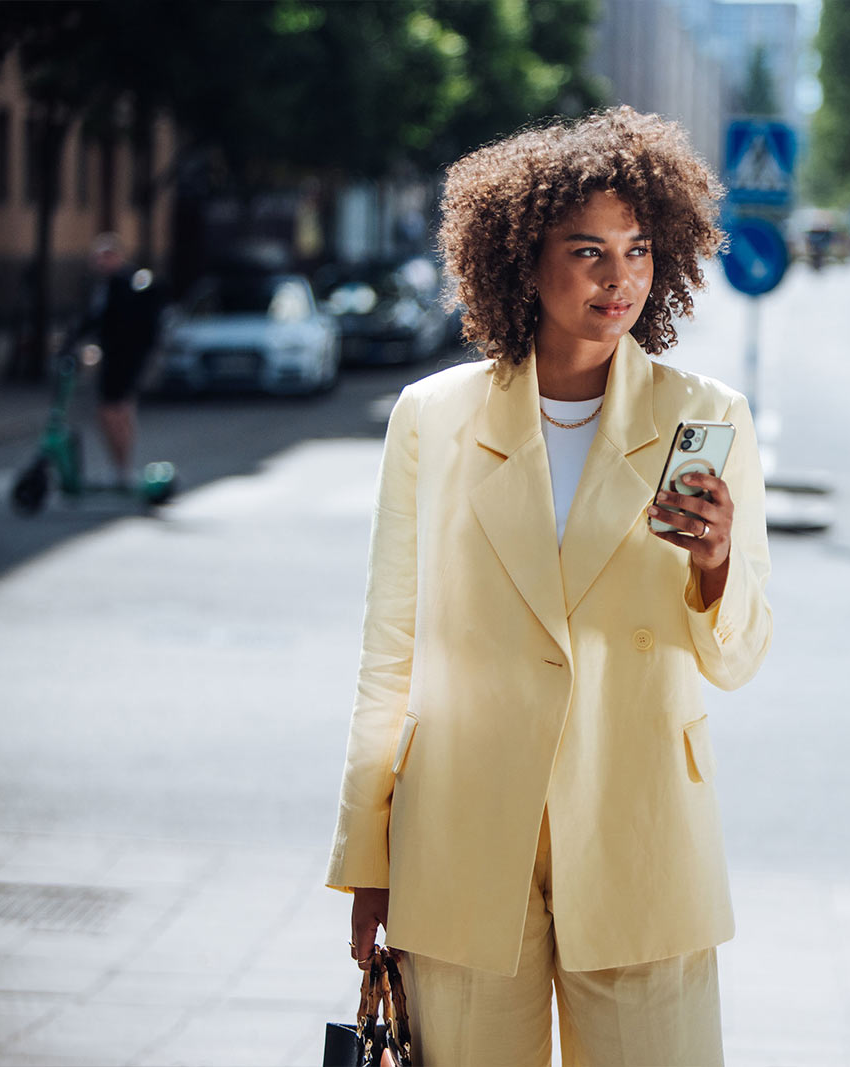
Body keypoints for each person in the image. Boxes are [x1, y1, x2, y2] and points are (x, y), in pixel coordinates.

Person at [326, 108, 773, 1066]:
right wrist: (369, 860)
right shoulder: (433, 418)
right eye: (588, 252)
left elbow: (739, 653)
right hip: (461, 832)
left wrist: (716, 563)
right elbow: (389, 651)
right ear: (523, 260)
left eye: (639, 249)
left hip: (641, 827)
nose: (621, 279)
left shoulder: (707, 415)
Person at [82, 233, 162, 487]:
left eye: (106, 256)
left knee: (115, 411)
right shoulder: (107, 285)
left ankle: (123, 469)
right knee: (112, 412)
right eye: (98, 258)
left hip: (124, 358)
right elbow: (93, 320)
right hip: (115, 357)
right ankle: (120, 468)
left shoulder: (127, 283)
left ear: (118, 256)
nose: (101, 262)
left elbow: (133, 323)